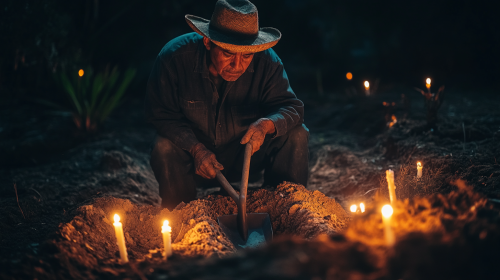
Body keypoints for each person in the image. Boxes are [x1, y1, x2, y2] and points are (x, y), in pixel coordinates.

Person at [145, 0, 308, 210]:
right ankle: (180, 213)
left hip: (247, 159)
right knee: (163, 146)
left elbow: (293, 108)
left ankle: (286, 208)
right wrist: (196, 149)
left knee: (297, 133)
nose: (237, 65)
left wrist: (265, 125)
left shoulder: (268, 62)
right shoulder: (174, 59)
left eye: (247, 55)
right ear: (207, 42)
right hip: (194, 162)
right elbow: (160, 114)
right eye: (228, 53)